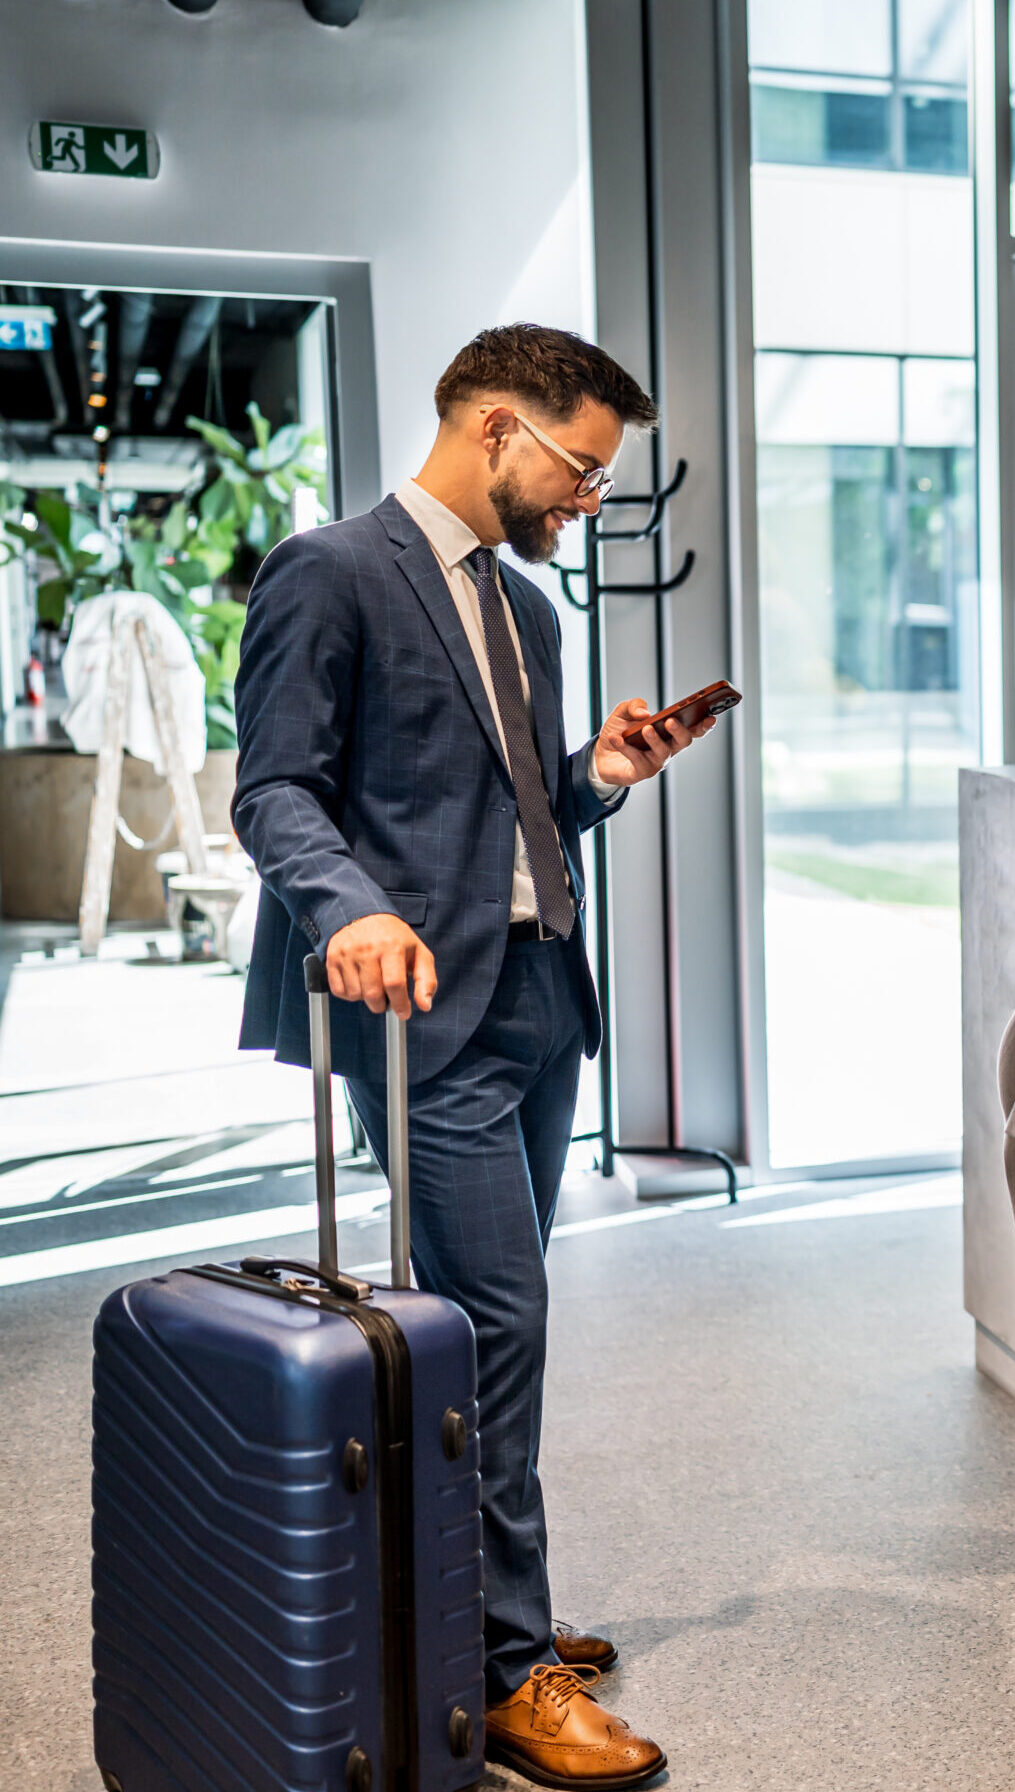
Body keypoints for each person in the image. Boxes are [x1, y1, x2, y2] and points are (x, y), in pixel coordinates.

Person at [233, 324, 709, 1789]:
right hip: (421, 1013)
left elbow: (513, 805)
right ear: (495, 426)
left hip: (537, 999)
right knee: (496, 1320)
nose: (587, 503)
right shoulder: (334, 572)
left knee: (499, 1321)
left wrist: (600, 778)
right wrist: (355, 911)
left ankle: (488, 1601)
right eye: (578, 470)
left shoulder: (532, 615)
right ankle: (507, 1671)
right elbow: (276, 792)